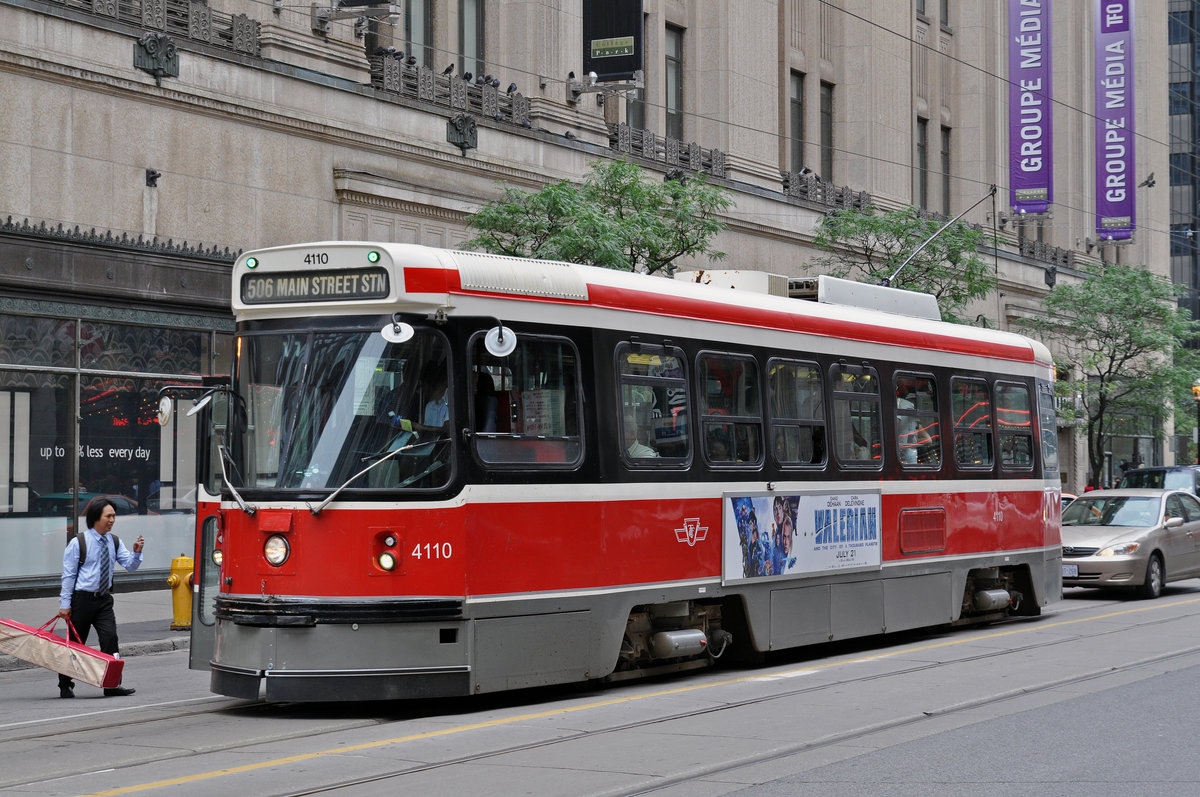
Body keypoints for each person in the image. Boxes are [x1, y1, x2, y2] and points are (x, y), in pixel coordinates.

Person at [55, 497, 144, 698]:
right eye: (109, 516)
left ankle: (112, 685)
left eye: (114, 516)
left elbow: (130, 566)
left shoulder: (114, 541)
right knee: (76, 645)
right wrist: (65, 605)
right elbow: (68, 576)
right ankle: (65, 684)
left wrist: (137, 553)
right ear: (96, 517)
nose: (112, 520)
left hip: (103, 600)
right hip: (82, 601)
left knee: (110, 639)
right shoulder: (79, 542)